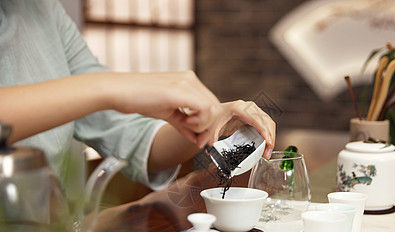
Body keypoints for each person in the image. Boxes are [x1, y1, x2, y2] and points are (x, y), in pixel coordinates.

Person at [0, 0, 275, 192]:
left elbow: (133, 138)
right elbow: (99, 91)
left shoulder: (42, 11)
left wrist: (206, 122)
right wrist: (108, 88)